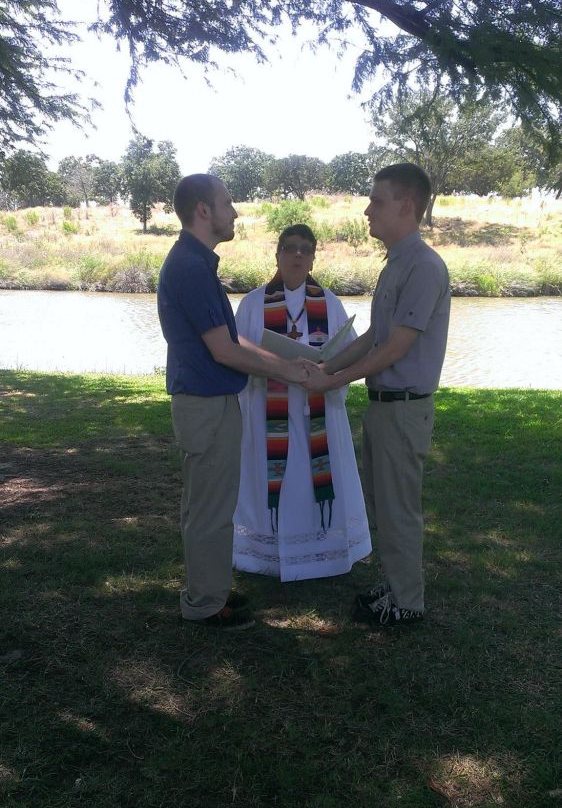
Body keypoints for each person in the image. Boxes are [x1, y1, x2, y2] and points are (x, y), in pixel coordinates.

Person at [157, 174, 308, 631]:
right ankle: (205, 603)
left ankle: (211, 588)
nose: (235, 211)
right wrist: (290, 372)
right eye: (227, 202)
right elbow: (224, 352)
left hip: (211, 401)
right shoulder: (189, 267)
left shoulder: (197, 264)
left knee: (212, 505)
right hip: (205, 404)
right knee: (208, 509)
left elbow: (232, 339)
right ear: (203, 210)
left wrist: (290, 358)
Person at [302, 163, 450, 626]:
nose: (367, 210)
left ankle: (408, 603)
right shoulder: (398, 263)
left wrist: (331, 381)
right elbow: (373, 338)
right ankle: (398, 583)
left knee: (399, 509)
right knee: (385, 505)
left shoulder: (424, 266)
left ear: (405, 206)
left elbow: (396, 348)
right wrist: (328, 365)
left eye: (377, 200)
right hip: (387, 409)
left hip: (404, 410)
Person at [233, 224, 372, 581]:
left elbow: (348, 350)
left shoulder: (328, 302)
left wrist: (326, 369)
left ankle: (321, 554)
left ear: (312, 259)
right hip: (270, 412)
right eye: (290, 248)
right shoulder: (253, 303)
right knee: (276, 477)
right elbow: (236, 353)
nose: (297, 255)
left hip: (318, 411)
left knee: (314, 483)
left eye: (305, 250)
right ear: (276, 254)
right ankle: (267, 554)